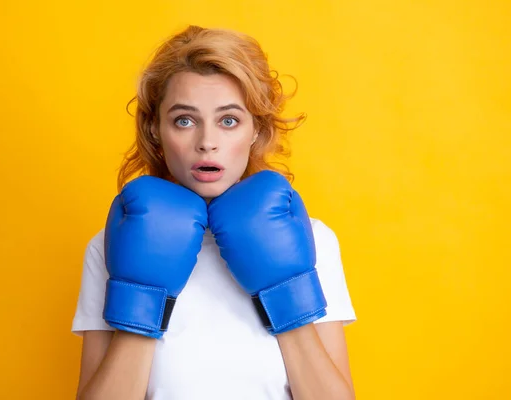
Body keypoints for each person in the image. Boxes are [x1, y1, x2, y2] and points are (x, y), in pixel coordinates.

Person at [71, 25, 357, 400]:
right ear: (155, 130)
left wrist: (285, 293)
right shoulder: (111, 244)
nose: (207, 143)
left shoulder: (313, 239)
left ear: (256, 129)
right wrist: (143, 299)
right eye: (184, 120)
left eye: (228, 121)